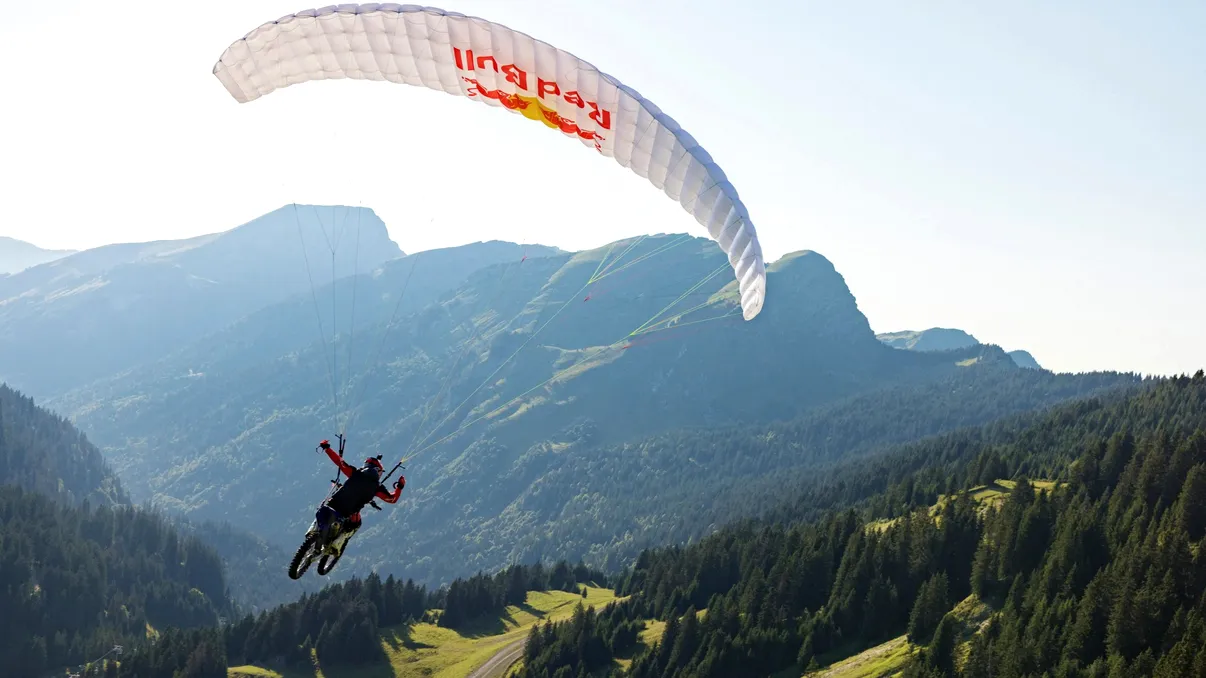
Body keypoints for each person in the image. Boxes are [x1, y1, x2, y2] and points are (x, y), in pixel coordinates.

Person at [316, 439, 405, 556]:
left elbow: (339, 462)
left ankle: (314, 534)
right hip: (347, 513)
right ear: (378, 471)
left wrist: (327, 448)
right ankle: (336, 545)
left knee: (322, 511)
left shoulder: (355, 473)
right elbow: (392, 499)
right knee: (355, 525)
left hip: (333, 504)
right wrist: (400, 487)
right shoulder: (377, 487)